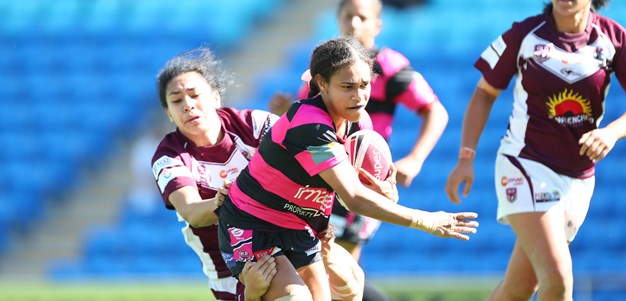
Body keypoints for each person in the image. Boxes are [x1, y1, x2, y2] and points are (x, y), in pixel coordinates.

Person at [218, 36, 479, 301]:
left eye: (365, 85)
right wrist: (426, 220)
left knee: (352, 285)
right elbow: (353, 197)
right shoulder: (311, 125)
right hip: (252, 222)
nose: (359, 96)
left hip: (299, 226)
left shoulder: (360, 124)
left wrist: (384, 191)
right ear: (322, 83)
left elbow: (359, 188)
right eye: (348, 87)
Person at [445, 1, 626, 300]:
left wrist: (612, 132)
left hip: (579, 177)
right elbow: (483, 93)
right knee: (557, 278)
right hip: (525, 164)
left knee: (519, 288)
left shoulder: (614, 38)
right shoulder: (524, 35)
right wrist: (466, 157)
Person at [151, 47, 365, 301]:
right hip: (233, 269)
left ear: (216, 97)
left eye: (195, 95)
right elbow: (192, 212)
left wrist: (321, 216)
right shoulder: (169, 156)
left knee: (351, 281)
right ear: (168, 112)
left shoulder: (252, 124)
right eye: (176, 100)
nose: (188, 105)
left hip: (289, 237)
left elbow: (305, 155)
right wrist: (223, 201)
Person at [270, 0, 449, 271]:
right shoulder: (325, 66)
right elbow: (312, 118)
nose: (354, 23)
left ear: (377, 25)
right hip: (318, 179)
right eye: (348, 16)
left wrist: (415, 158)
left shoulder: (387, 65)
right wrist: (288, 111)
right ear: (338, 20)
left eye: (362, 18)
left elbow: (435, 111)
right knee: (313, 271)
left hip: (359, 177)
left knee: (340, 271)